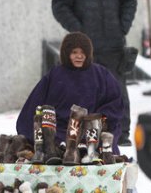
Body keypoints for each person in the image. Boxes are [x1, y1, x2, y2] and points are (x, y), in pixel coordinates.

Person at [52, 0, 137, 147]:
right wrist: (77, 30)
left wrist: (123, 26)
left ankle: (121, 133)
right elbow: (59, 5)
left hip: (114, 45)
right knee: (85, 91)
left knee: (117, 91)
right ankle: (84, 136)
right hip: (85, 49)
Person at [15, 32, 124, 164]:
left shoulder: (101, 74)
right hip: (59, 132)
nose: (79, 56)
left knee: (98, 142)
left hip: (91, 131)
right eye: (74, 52)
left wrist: (100, 118)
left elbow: (115, 103)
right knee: (50, 143)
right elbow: (34, 105)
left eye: (83, 52)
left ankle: (88, 153)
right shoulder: (55, 75)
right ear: (66, 53)